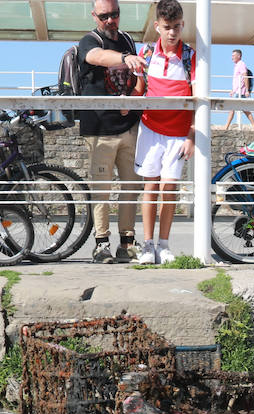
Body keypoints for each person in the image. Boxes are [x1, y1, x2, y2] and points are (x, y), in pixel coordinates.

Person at [77, 0, 147, 263]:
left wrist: (134, 99)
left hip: (129, 127)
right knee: (102, 189)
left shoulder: (127, 39)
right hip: (99, 129)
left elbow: (139, 76)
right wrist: (125, 58)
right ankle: (101, 244)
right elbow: (95, 56)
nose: (110, 20)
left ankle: (127, 243)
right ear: (94, 16)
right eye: (104, 15)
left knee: (131, 186)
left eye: (114, 14)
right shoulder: (89, 40)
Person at [133, 0, 196, 265]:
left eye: (177, 27)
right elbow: (139, 90)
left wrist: (191, 136)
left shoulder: (191, 56)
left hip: (178, 134)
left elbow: (197, 98)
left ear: (182, 25)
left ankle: (164, 245)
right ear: (157, 26)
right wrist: (125, 103)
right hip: (150, 129)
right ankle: (147, 246)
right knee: (150, 187)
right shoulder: (146, 54)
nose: (172, 33)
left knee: (169, 189)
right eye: (167, 27)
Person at [222, 49, 254, 130]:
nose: (232, 57)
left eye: (233, 56)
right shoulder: (237, 65)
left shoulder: (241, 64)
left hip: (241, 92)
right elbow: (238, 81)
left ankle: (226, 127)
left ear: (239, 56)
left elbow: (245, 77)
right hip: (237, 91)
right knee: (244, 109)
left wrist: (247, 90)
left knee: (233, 108)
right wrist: (233, 90)